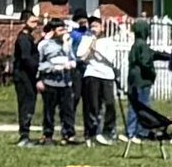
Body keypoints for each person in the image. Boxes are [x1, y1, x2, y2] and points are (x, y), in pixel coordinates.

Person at [125, 18, 170, 143]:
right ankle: (141, 132)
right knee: (143, 106)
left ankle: (131, 131)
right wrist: (152, 73)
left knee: (134, 106)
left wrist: (167, 56)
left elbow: (152, 54)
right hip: (142, 80)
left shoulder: (136, 44)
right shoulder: (142, 45)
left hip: (133, 80)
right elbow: (146, 61)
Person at [77, 17, 119, 146]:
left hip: (107, 75)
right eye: (92, 26)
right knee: (93, 105)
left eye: (96, 26)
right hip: (92, 74)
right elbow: (81, 56)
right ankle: (91, 133)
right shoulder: (86, 39)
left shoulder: (109, 42)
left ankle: (108, 131)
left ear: (102, 28)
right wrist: (91, 47)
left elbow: (110, 59)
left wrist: (97, 50)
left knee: (109, 104)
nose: (94, 28)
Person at [37, 19, 78, 145]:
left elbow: (72, 58)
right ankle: (47, 134)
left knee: (67, 110)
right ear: (53, 31)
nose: (63, 32)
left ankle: (68, 135)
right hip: (50, 82)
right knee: (49, 110)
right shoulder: (45, 45)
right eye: (60, 30)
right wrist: (50, 70)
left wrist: (71, 63)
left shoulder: (67, 44)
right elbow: (38, 64)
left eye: (64, 29)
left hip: (65, 82)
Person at [12, 12, 42, 147]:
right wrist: (37, 71)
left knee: (30, 103)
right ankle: (24, 136)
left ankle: (26, 134)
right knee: (26, 104)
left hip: (28, 76)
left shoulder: (29, 38)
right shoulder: (23, 39)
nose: (36, 24)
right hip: (24, 77)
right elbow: (26, 58)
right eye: (33, 21)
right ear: (25, 22)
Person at [68, 9, 92, 121]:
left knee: (88, 98)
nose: (83, 22)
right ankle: (69, 122)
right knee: (75, 96)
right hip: (76, 67)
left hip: (88, 68)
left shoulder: (89, 33)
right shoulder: (73, 34)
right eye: (80, 20)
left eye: (84, 20)